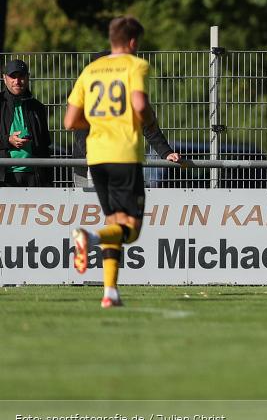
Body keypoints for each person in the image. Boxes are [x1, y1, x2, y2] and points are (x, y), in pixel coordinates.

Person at [64, 16, 159, 308]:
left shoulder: (91, 70)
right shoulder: (135, 65)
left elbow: (70, 121)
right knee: (131, 230)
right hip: (123, 154)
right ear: (132, 42)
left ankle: (110, 293)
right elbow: (140, 105)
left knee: (114, 222)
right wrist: (149, 120)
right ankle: (89, 237)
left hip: (96, 156)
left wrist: (97, 123)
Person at [71, 50, 180, 188]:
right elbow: (81, 130)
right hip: (89, 164)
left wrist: (167, 153)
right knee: (88, 205)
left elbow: (149, 127)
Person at [1, 59, 52, 187]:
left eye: (21, 76)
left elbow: (45, 145)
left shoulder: (38, 107)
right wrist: (8, 140)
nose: (17, 81)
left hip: (35, 177)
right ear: (4, 78)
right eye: (12, 76)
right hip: (4, 178)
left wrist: (48, 180)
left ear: (28, 78)